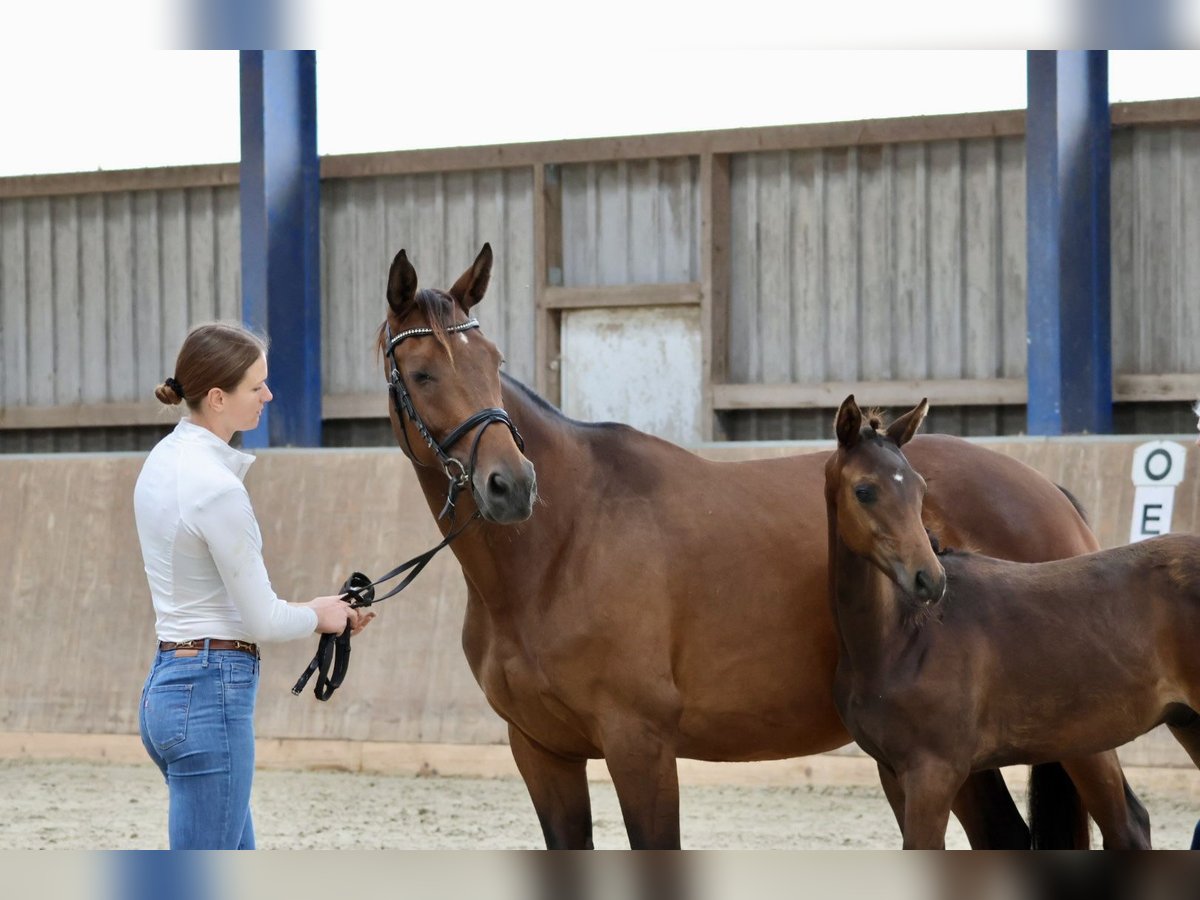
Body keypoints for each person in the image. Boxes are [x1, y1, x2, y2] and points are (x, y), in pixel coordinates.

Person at [134, 321, 374, 850]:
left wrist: (322, 610)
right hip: (209, 695)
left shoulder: (161, 462)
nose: (269, 394)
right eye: (256, 386)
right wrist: (320, 613)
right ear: (217, 398)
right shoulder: (217, 489)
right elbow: (263, 618)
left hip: (169, 687)